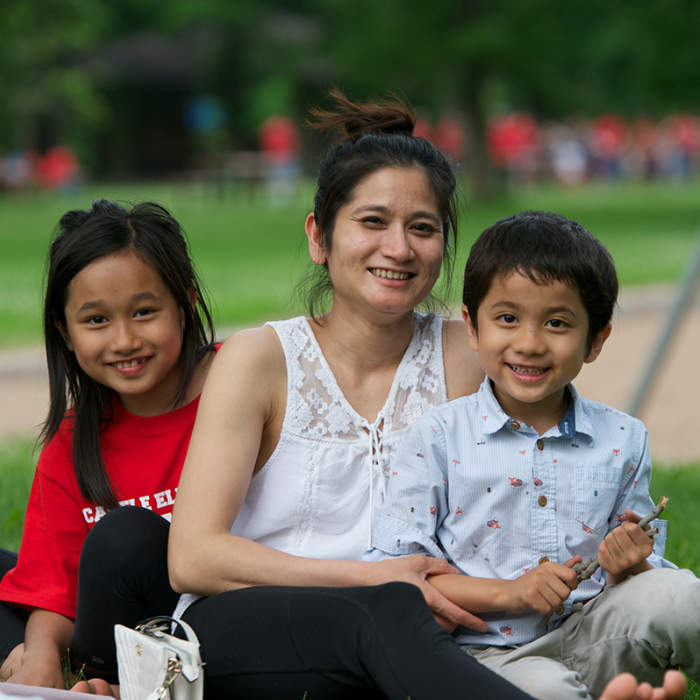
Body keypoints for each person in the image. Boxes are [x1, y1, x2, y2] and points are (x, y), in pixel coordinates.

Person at [63, 95, 688, 700]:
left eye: (423, 227)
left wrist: (617, 554)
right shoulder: (260, 359)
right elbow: (195, 557)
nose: (399, 247)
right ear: (319, 236)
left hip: (424, 634)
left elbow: (560, 465)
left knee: (407, 626)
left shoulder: (471, 351)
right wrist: (377, 581)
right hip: (254, 624)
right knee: (383, 613)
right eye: (372, 222)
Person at [365, 211, 700, 699]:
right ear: (472, 327)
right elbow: (397, 578)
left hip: (597, 637)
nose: (529, 343)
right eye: (507, 318)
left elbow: (642, 587)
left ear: (596, 339)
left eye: (557, 323)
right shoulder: (438, 436)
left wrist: (630, 562)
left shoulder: (623, 438)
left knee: (685, 599)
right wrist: (511, 593)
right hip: (488, 659)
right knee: (547, 692)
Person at [0, 200, 216, 689]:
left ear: (186, 305)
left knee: (123, 538)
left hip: (207, 621)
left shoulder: (239, 388)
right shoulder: (73, 441)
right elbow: (54, 591)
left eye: (144, 312)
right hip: (106, 634)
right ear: (65, 330)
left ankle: (103, 677)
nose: (123, 340)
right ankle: (34, 664)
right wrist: (40, 655)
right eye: (96, 320)